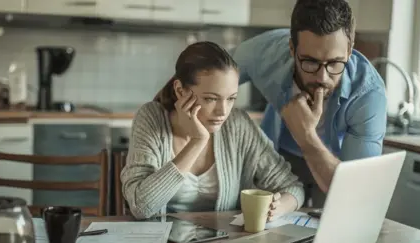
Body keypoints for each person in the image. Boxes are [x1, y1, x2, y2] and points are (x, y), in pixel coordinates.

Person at [121, 41, 304, 220]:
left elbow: (292, 188)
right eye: (210, 99)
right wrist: (197, 141)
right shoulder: (152, 118)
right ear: (180, 90)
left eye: (231, 98)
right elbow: (140, 207)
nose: (223, 111)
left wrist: (278, 208)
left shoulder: (238, 124)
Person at [231, 0, 387, 207]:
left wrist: (305, 135)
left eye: (334, 63)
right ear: (292, 48)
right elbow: (205, 76)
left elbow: (355, 193)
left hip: (335, 161)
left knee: (335, 221)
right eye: (310, 62)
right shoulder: (263, 54)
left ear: (349, 50)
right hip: (279, 156)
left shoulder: (368, 94)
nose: (322, 77)